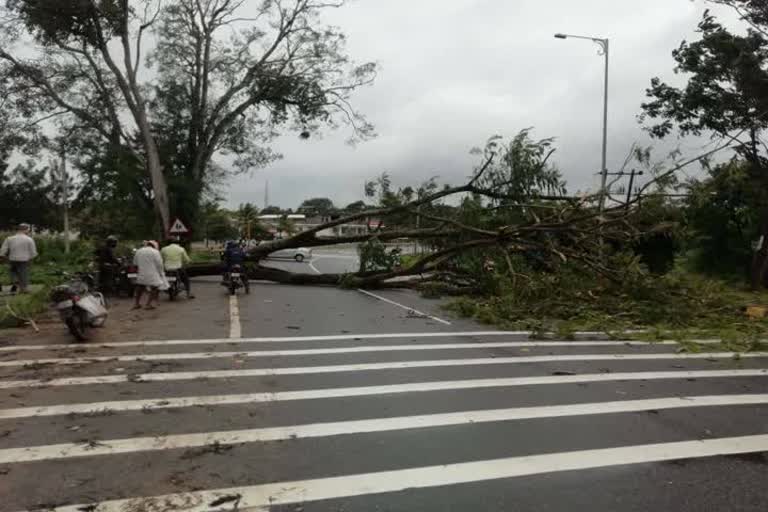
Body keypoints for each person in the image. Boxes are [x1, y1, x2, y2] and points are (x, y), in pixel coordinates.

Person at [0, 224, 38, 294]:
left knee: (13, 272)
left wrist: (3, 258)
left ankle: (15, 283)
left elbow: (3, 250)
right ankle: (23, 289)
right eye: (28, 230)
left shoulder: (9, 238)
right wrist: (31, 259)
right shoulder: (29, 239)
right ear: (26, 230)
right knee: (24, 273)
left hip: (13, 259)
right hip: (24, 259)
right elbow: (33, 252)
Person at [133, 240, 166, 310]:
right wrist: (161, 273)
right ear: (154, 246)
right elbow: (160, 264)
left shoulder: (138, 251)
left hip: (141, 273)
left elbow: (135, 264)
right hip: (152, 274)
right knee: (154, 287)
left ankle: (136, 304)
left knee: (140, 287)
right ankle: (148, 304)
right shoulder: (155, 252)